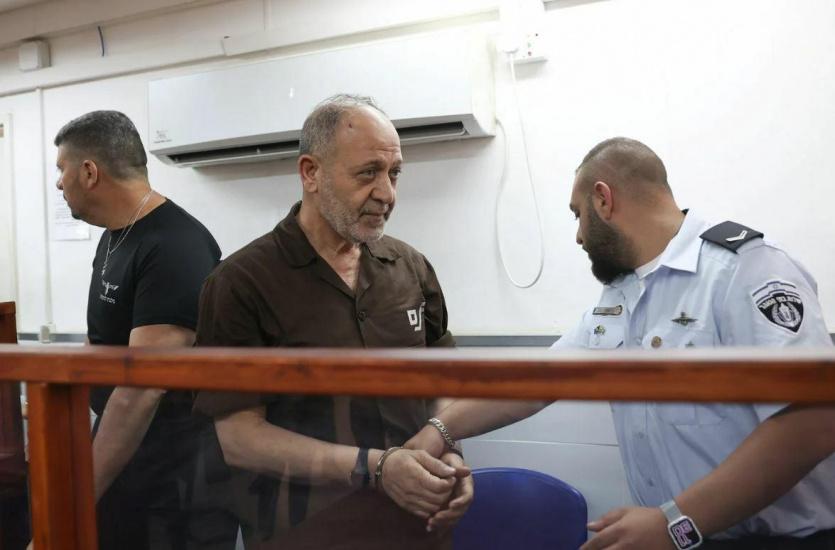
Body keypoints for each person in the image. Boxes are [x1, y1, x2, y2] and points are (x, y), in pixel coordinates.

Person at [406, 137, 835, 549]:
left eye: (577, 214)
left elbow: (813, 421)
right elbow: (538, 381)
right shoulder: (622, 293)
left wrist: (674, 523)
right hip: (682, 540)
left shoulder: (742, 269)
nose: (578, 236)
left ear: (603, 199)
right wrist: (438, 430)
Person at [193, 94, 473, 549]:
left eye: (394, 173)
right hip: (307, 531)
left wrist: (452, 457)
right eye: (368, 173)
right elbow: (239, 437)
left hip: (417, 526)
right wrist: (374, 467)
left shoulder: (410, 268)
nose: (387, 193)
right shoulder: (240, 283)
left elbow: (444, 385)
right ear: (311, 173)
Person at [54, 110, 229, 549]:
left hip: (172, 480)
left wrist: (76, 499)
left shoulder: (173, 245)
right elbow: (101, 342)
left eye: (61, 169)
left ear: (89, 172)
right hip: (126, 454)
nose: (58, 183)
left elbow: (141, 391)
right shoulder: (115, 236)